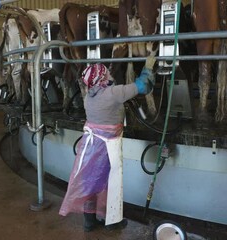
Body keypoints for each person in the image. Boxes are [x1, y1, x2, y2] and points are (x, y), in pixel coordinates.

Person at [59, 56, 156, 232]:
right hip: (107, 147)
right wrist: (148, 66)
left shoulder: (89, 95)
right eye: (107, 72)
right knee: (111, 182)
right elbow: (142, 85)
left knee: (91, 182)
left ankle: (89, 221)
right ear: (102, 77)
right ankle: (112, 221)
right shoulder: (114, 93)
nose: (109, 73)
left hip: (90, 146)